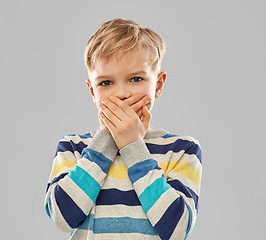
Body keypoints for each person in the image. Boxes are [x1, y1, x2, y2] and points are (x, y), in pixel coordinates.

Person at [44, 18, 202, 240]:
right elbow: (62, 217)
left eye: (136, 79)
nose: (121, 94)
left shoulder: (181, 150)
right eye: (106, 83)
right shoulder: (73, 147)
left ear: (158, 84)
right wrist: (108, 138)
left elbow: (176, 230)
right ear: (92, 91)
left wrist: (132, 146)